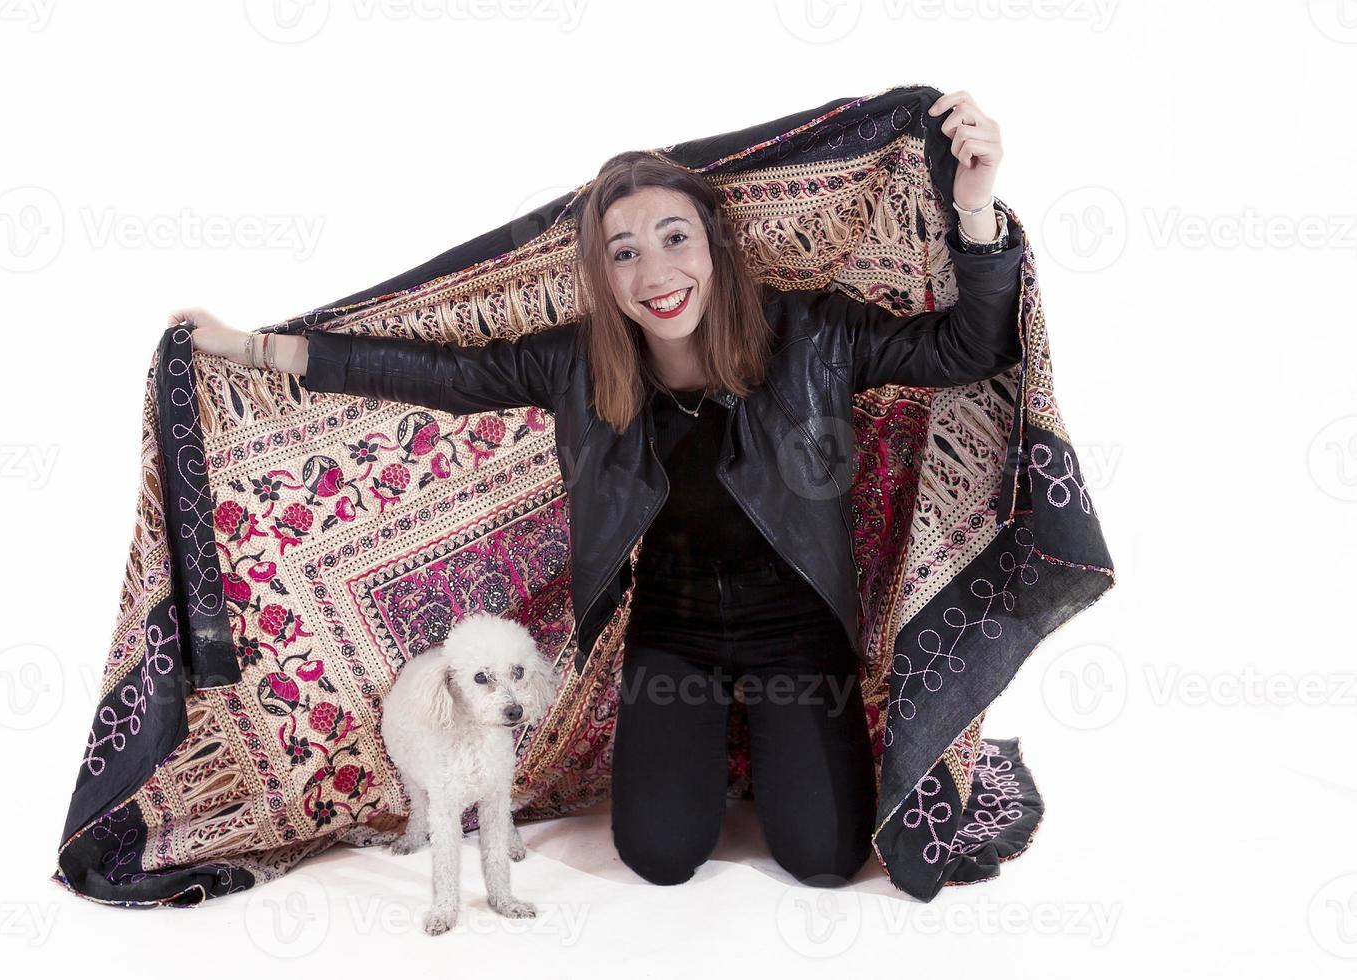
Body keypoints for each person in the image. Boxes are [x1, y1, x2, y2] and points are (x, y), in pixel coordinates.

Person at [179, 90, 1019, 889]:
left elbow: (971, 348)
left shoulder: (814, 332)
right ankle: (728, 751)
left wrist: (976, 209)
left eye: (674, 237)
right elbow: (437, 373)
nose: (656, 271)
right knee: (659, 855)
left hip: (798, 632)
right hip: (674, 636)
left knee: (827, 859)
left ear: (715, 244)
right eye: (625, 253)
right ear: (605, 275)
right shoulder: (578, 363)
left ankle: (779, 745)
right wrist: (253, 349)